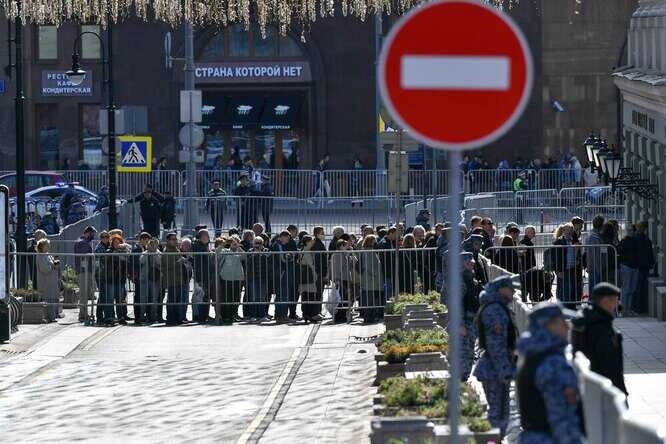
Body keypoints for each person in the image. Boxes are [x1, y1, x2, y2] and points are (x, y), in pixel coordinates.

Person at [516, 302, 583, 444]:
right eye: (562, 322)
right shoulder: (553, 363)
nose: (567, 326)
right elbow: (562, 418)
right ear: (547, 325)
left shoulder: (532, 354)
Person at [473, 276, 518, 438]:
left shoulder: (498, 307)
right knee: (497, 414)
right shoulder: (495, 310)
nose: (513, 291)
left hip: (496, 368)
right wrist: (504, 370)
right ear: (500, 289)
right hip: (494, 370)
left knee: (501, 414)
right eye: (510, 288)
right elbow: (496, 345)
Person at [572, 283, 627, 395]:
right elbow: (610, 365)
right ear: (605, 301)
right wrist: (620, 392)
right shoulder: (601, 329)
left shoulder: (586, 320)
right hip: (604, 389)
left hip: (589, 386)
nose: (617, 305)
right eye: (615, 301)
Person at [460, 252, 482, 381]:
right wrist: (460, 324)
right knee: (464, 351)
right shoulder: (461, 280)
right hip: (464, 320)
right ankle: (462, 377)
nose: (471, 265)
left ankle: (465, 377)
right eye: (468, 263)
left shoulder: (471, 278)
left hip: (472, 319)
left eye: (472, 263)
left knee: (469, 350)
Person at [215, 235, 245, 324]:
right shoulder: (225, 251)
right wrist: (225, 243)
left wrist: (238, 247)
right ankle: (225, 316)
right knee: (226, 298)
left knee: (235, 298)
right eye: (233, 242)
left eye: (236, 242)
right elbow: (217, 252)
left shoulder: (239, 252)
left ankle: (233, 315)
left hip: (237, 278)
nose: (234, 243)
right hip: (226, 278)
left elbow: (244, 257)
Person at [161, 233, 189, 325]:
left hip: (178, 279)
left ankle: (177, 318)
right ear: (168, 241)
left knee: (177, 300)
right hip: (171, 280)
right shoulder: (166, 251)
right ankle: (170, 319)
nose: (175, 241)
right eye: (172, 239)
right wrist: (179, 262)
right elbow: (166, 266)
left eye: (175, 239)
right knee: (171, 300)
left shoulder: (176, 250)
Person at [273, 231, 299, 323]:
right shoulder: (278, 245)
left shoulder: (281, 245)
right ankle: (282, 316)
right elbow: (283, 259)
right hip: (281, 273)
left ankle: (279, 315)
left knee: (282, 295)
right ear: (282, 237)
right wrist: (292, 255)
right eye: (287, 238)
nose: (288, 241)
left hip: (282, 272)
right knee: (283, 295)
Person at [358, 235, 384, 323]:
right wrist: (375, 274)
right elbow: (368, 265)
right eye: (374, 241)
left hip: (371, 279)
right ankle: (369, 317)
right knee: (369, 299)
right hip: (370, 279)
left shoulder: (368, 251)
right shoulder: (368, 252)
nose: (375, 242)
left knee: (370, 299)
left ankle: (370, 316)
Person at [74, 226, 97, 322]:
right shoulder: (83, 243)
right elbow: (84, 259)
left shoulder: (81, 241)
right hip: (84, 271)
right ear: (88, 233)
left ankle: (83, 314)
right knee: (84, 294)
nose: (93, 236)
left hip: (84, 271)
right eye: (92, 234)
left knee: (85, 293)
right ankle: (82, 314)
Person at [245, 236, 270, 322]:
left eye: (260, 243)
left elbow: (270, 258)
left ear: (262, 244)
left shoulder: (266, 250)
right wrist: (253, 255)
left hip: (263, 278)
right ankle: (253, 315)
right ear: (253, 244)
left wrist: (261, 254)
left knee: (262, 297)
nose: (258, 245)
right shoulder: (250, 251)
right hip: (253, 278)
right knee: (253, 297)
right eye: (256, 243)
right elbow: (246, 261)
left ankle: (262, 315)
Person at [36, 239, 60, 323]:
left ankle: (53, 316)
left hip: (51, 281)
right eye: (47, 245)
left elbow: (51, 264)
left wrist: (55, 263)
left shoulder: (47, 255)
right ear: (42, 246)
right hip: (46, 281)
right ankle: (49, 316)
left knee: (52, 298)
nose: (49, 246)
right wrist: (53, 265)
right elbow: (45, 269)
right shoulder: (40, 256)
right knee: (47, 298)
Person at [298, 235, 322, 323]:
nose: (313, 242)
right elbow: (311, 265)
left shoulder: (303, 251)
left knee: (305, 295)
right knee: (310, 295)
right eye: (311, 241)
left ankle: (306, 314)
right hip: (308, 276)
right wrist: (315, 274)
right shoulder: (306, 252)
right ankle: (309, 314)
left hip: (304, 276)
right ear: (307, 242)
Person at [191, 229, 213, 324]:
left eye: (208, 236)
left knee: (205, 297)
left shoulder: (205, 246)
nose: (207, 238)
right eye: (205, 236)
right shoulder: (197, 245)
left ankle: (204, 315)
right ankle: (199, 316)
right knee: (200, 296)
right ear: (200, 237)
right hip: (201, 275)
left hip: (207, 275)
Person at [633, 221, 655, 314]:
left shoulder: (635, 239)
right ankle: (642, 308)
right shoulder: (645, 239)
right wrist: (651, 264)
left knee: (638, 289)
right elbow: (650, 255)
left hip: (639, 267)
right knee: (641, 289)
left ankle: (638, 308)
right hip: (642, 267)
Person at [618, 225, 639, 316]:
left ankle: (628, 309)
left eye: (631, 230)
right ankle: (623, 310)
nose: (630, 232)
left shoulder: (636, 241)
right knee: (626, 289)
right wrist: (626, 260)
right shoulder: (625, 241)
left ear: (634, 231)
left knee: (632, 289)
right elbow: (619, 252)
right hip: (627, 266)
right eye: (628, 230)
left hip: (634, 267)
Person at [130, 232, 151, 324]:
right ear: (142, 239)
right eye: (146, 240)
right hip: (139, 276)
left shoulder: (146, 248)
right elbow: (136, 263)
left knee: (145, 296)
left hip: (146, 275)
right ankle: (138, 316)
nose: (147, 242)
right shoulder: (135, 250)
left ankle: (145, 315)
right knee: (138, 296)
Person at [140, 238, 162, 324]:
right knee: (143, 298)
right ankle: (142, 315)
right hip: (145, 278)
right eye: (150, 244)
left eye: (154, 244)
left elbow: (159, 262)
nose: (152, 246)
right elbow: (141, 261)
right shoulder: (144, 253)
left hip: (155, 279)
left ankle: (153, 316)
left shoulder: (159, 253)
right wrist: (148, 252)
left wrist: (154, 253)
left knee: (154, 298)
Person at [584, 214, 606, 293]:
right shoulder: (594, 238)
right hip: (596, 269)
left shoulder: (596, 236)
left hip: (597, 268)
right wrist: (598, 270)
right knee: (595, 290)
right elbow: (595, 256)